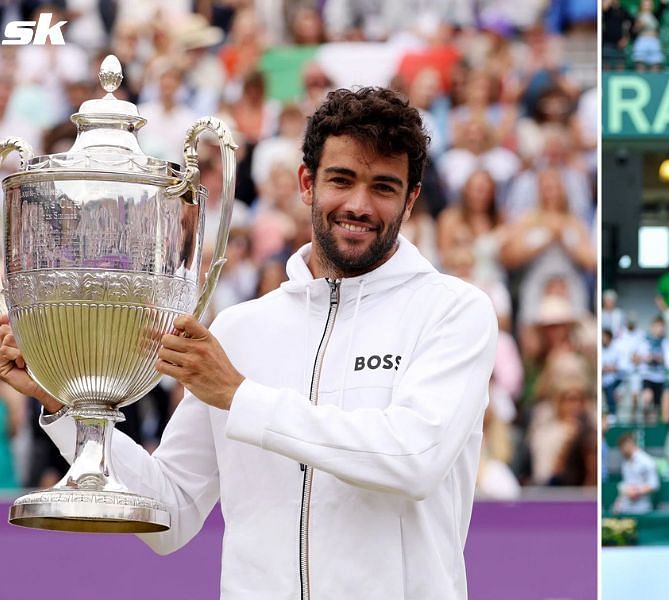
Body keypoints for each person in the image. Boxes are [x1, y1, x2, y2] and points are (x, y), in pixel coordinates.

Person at [0, 87, 499, 599]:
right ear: (307, 183)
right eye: (341, 179)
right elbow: (170, 513)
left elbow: (413, 459)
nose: (358, 204)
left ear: (411, 198)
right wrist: (62, 397)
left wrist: (241, 397)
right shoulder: (239, 329)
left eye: (384, 187)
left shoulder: (453, 311)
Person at [613, 432, 660, 514]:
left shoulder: (647, 461)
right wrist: (618, 503)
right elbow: (626, 484)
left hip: (642, 509)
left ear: (629, 444)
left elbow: (654, 484)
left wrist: (636, 491)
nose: (621, 451)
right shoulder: (625, 463)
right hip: (626, 509)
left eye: (622, 447)